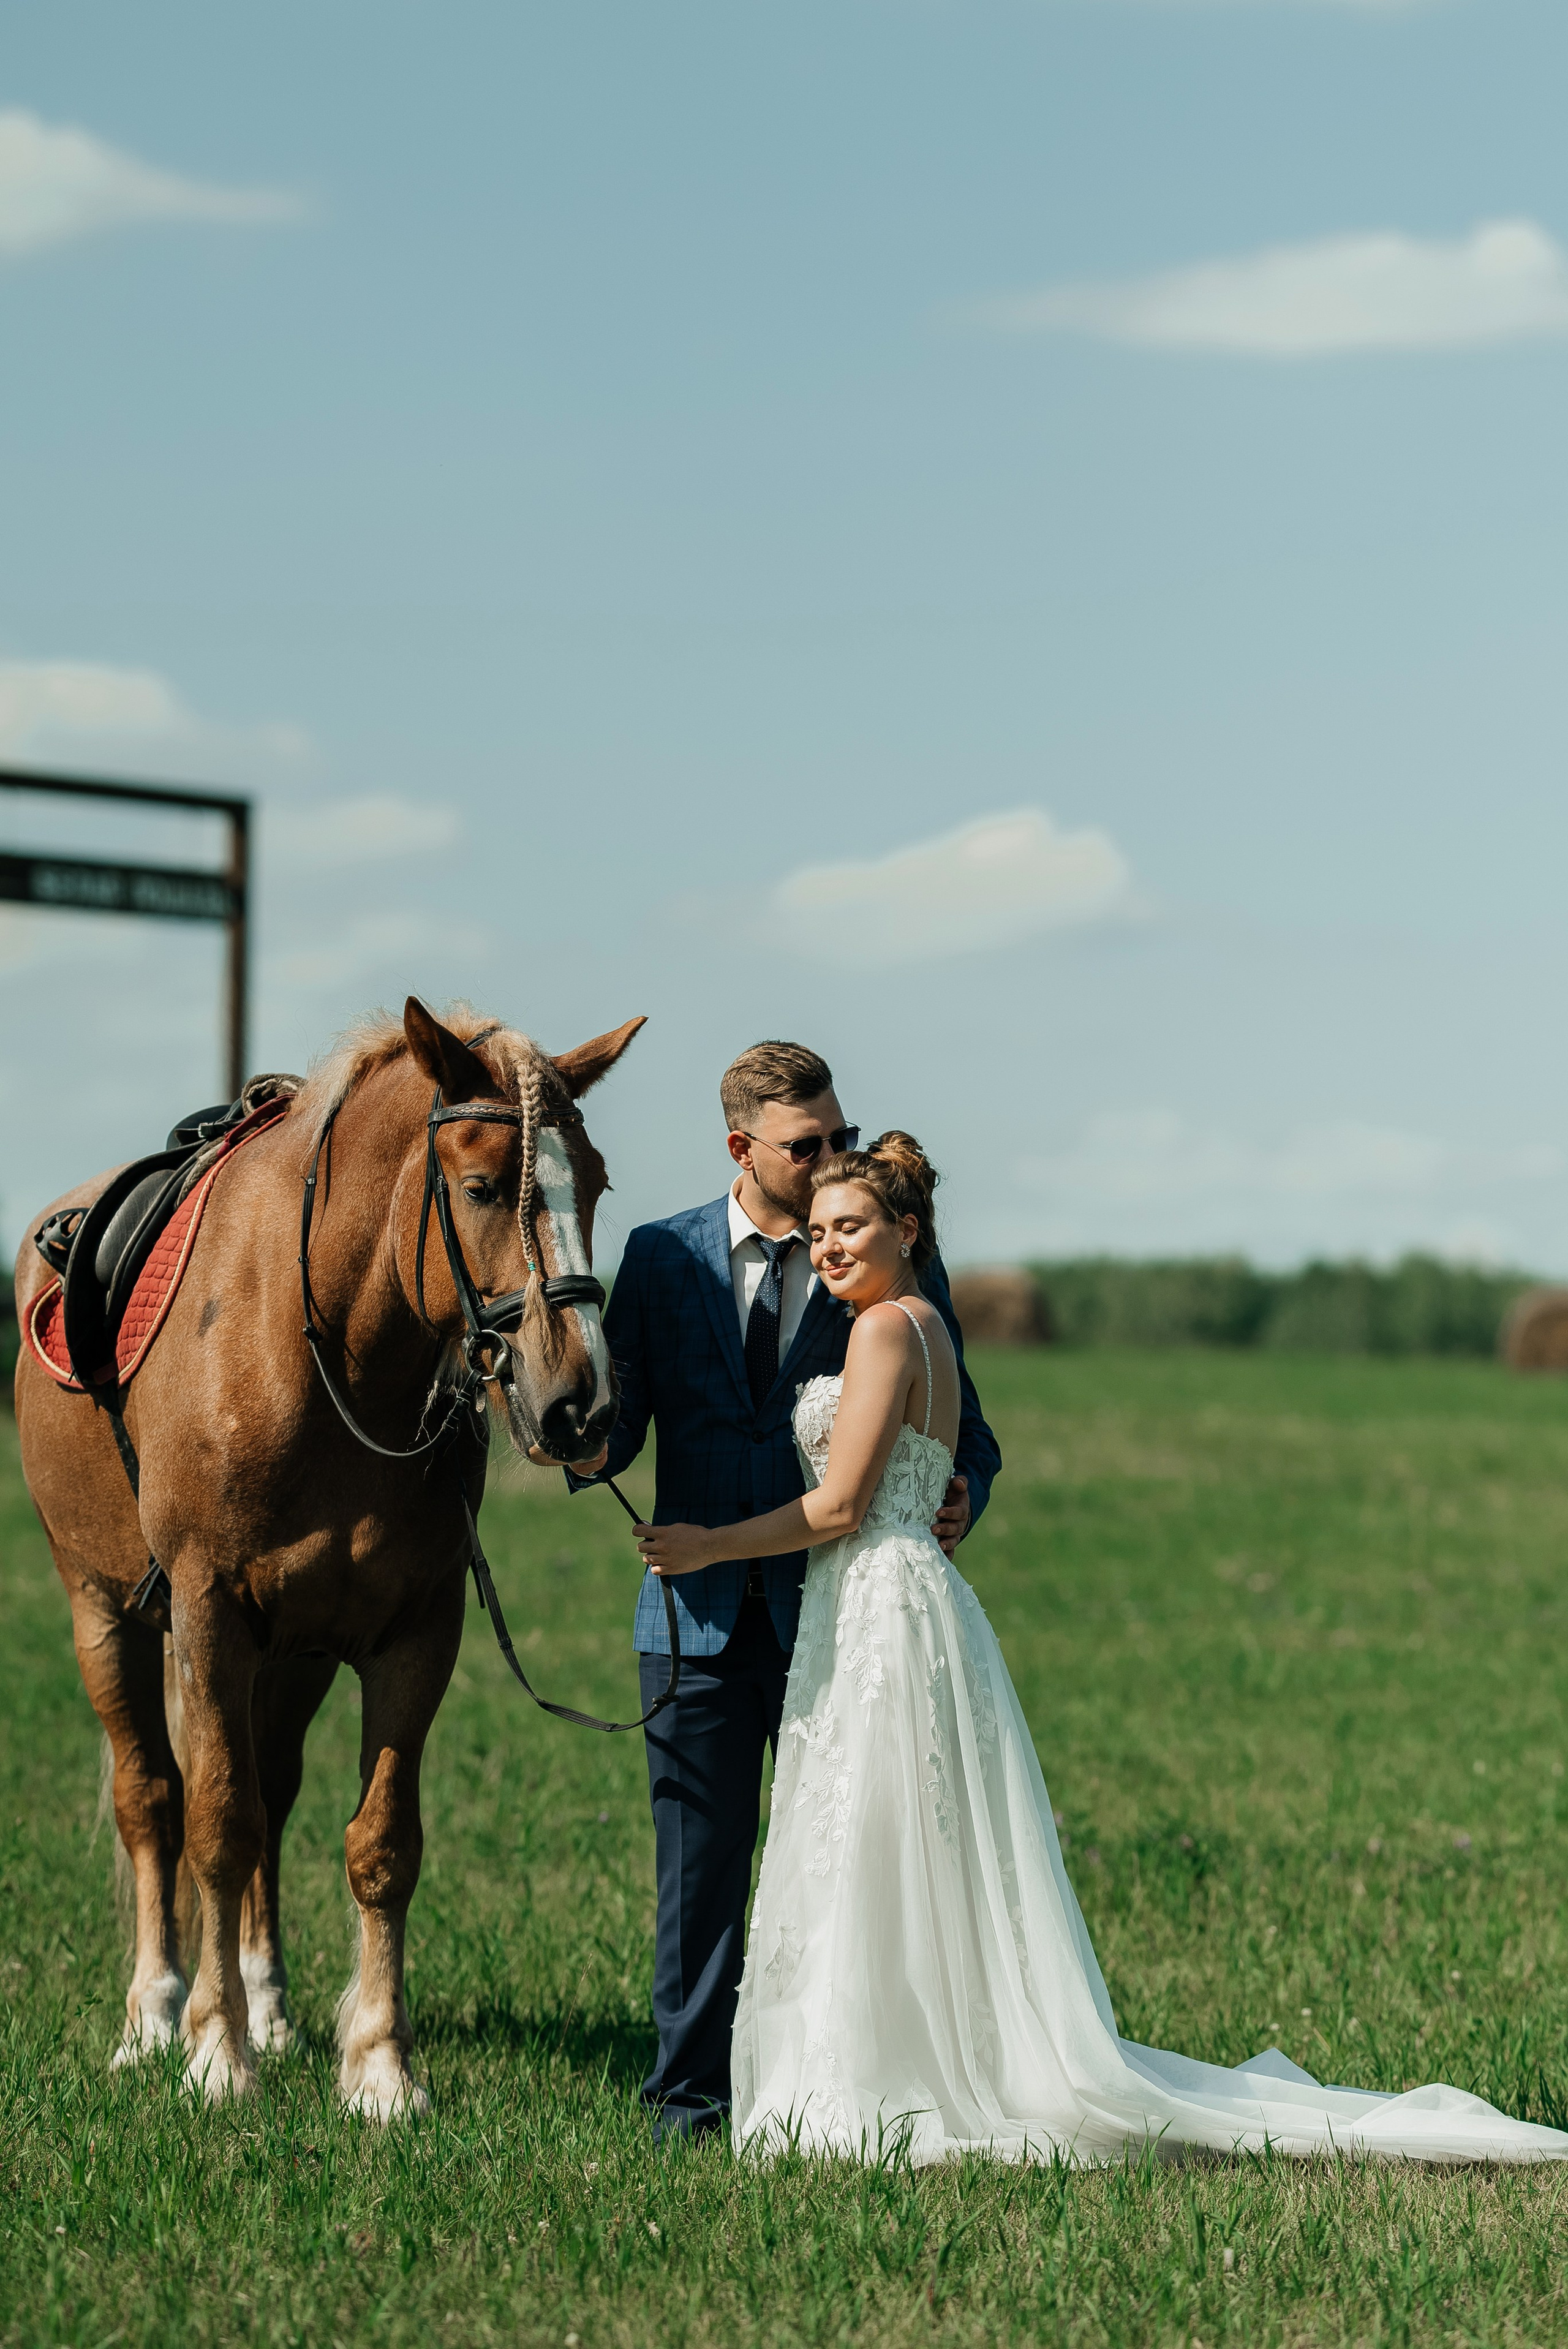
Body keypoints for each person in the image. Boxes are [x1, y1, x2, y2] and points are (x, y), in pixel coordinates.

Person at [636, 1136, 1568, 2166]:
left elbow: (843, 1502)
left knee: (870, 1839)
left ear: (906, 1231)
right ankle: (920, 2056)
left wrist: (706, 1544)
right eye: (816, 1233)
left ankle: (874, 2078)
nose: (830, 1247)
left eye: (850, 1226)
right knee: (899, 1842)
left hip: (876, 1602)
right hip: (905, 1603)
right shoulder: (926, 1324)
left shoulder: (880, 1336)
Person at [573, 1043, 1001, 2142]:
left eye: (841, 1139)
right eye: (807, 1146)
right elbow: (615, 1423)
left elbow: (971, 1432)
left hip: (843, 1618)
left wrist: (961, 1496)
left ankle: (847, 2089)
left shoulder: (886, 1253)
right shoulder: (661, 1258)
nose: (831, 1165)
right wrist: (563, 1433)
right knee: (699, 1879)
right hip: (695, 1626)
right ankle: (689, 2106)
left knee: (853, 1868)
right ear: (741, 1148)